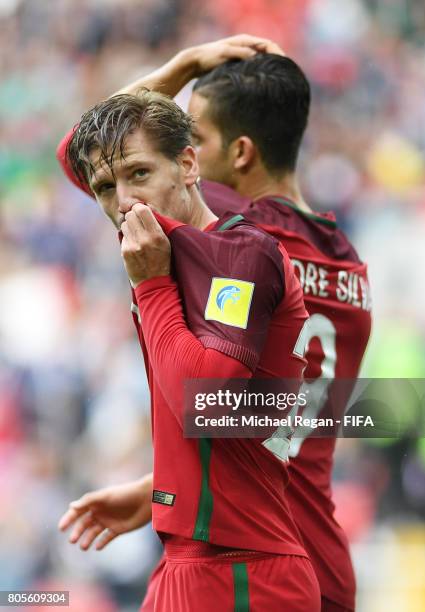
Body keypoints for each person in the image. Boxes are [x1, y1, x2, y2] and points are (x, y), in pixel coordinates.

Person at [57, 36, 372, 612]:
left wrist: (180, 67)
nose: (126, 199)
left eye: (192, 136)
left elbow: (83, 155)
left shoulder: (237, 240)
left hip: (251, 555)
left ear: (226, 157)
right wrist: (160, 484)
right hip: (308, 544)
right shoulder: (345, 257)